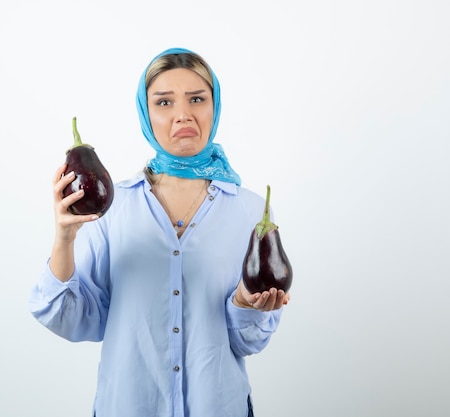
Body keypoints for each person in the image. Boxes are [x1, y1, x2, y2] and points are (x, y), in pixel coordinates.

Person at [29, 47, 290, 417]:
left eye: (196, 99)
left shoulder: (250, 211)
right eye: (164, 102)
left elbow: (249, 341)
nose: (182, 114)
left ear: (214, 108)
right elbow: (71, 319)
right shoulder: (113, 207)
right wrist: (64, 236)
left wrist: (246, 305)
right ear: (146, 114)